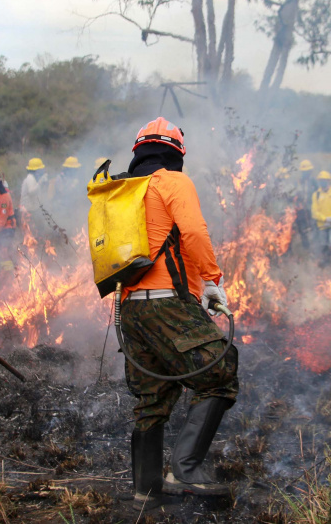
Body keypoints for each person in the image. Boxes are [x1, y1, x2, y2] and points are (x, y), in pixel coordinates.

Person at [118, 117, 238, 509]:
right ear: (176, 153)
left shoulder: (124, 190)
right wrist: (212, 280)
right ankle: (185, 469)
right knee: (220, 370)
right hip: (167, 300)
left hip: (129, 311)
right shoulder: (172, 181)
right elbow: (195, 232)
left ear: (138, 151)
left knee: (152, 397)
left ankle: (145, 490)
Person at [293, 160, 316, 251]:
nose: (306, 173)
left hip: (311, 209)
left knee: (311, 227)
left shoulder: (313, 181)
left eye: (308, 171)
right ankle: (306, 247)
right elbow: (294, 194)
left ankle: (313, 247)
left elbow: (318, 192)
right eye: (304, 171)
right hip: (300, 210)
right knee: (302, 229)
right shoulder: (298, 182)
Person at [20, 157, 51, 226]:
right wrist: (40, 182)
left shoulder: (35, 178)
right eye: (40, 169)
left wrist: (45, 183)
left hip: (34, 209)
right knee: (34, 230)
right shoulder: (30, 178)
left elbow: (41, 193)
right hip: (28, 210)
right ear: (36, 170)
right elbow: (31, 192)